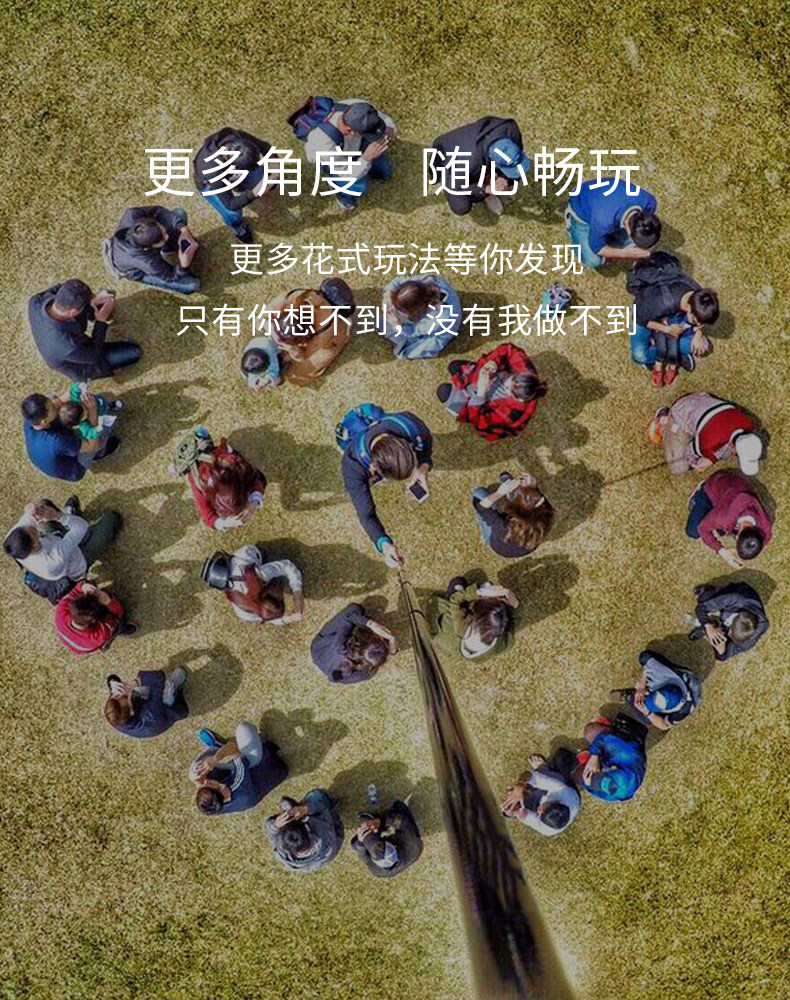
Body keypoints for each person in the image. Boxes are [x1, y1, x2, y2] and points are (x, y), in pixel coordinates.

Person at [336, 404, 433, 568]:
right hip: (353, 442)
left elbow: (425, 448)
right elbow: (366, 514)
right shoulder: (351, 467)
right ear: (373, 468)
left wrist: (422, 469)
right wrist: (384, 545)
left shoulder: (412, 426)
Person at [3, 497, 121, 601]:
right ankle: (68, 517)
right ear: (33, 546)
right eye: (33, 533)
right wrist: (58, 516)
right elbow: (82, 527)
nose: (32, 528)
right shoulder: (52, 560)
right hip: (80, 558)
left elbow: (31, 517)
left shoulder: (12, 539)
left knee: (44, 505)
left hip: (56, 539)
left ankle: (69, 517)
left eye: (27, 529)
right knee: (111, 518)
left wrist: (32, 510)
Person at [293, 97, 396, 211]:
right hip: (334, 162)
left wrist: (389, 129)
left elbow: (383, 119)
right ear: (349, 131)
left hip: (353, 147)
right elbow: (346, 174)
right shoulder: (323, 143)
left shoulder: (359, 107)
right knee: (358, 187)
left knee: (384, 171)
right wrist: (366, 158)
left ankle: (367, 165)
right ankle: (342, 194)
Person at [626, 251, 718, 376]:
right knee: (639, 356)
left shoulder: (698, 294)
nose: (699, 325)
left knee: (703, 346)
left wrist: (698, 334)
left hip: (670, 310)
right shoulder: (664, 302)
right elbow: (639, 318)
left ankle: (666, 350)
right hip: (643, 312)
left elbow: (699, 324)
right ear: (689, 308)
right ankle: (672, 354)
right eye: (697, 321)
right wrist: (666, 329)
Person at [28, 279, 141, 380]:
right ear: (73, 312)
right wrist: (101, 321)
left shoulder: (36, 301)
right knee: (134, 352)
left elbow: (63, 287)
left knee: (98, 301)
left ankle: (92, 314)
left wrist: (93, 301)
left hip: (68, 343)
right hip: (84, 364)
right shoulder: (68, 346)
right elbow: (94, 355)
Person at [252, 278, 356, 387]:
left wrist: (293, 351)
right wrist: (270, 328)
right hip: (311, 330)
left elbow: (305, 355)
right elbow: (261, 318)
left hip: (331, 339)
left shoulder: (324, 334)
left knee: (296, 377)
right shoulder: (291, 299)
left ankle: (345, 326)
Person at [437, 344, 547, 442]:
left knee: (443, 391)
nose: (507, 382)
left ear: (519, 400)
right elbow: (509, 350)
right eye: (512, 378)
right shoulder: (527, 372)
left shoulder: (512, 414)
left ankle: (460, 406)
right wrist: (494, 363)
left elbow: (480, 422)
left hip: (476, 403)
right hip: (480, 383)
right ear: (523, 374)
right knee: (453, 366)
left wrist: (481, 393)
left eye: (508, 389)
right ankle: (467, 383)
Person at [431, 117, 531, 216]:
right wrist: (486, 189)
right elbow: (456, 187)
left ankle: (489, 184)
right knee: (461, 207)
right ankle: (486, 195)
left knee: (517, 174)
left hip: (474, 153)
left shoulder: (510, 129)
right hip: (448, 161)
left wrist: (504, 178)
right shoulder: (467, 164)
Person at [648, 392, 764, 477]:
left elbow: (727, 441)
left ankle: (694, 433)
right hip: (681, 410)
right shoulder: (709, 443)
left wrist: (712, 457)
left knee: (725, 453)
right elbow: (690, 453)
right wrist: (700, 463)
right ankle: (664, 420)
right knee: (678, 467)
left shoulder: (748, 423)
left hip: (702, 401)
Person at [172, 430, 266, 530]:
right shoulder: (198, 484)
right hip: (201, 467)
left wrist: (254, 502)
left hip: (219, 458)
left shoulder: (233, 464)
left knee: (228, 452)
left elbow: (258, 478)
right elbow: (208, 517)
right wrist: (223, 523)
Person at [189, 722, 288, 816]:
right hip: (267, 766)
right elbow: (233, 748)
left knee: (195, 770)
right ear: (221, 789)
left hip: (240, 777)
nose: (205, 781)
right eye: (210, 783)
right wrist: (215, 759)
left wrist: (196, 779)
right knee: (244, 728)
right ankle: (219, 749)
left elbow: (202, 784)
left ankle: (216, 746)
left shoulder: (214, 807)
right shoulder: (240, 784)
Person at [194, 127, 274, 242]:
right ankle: (237, 226)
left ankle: (238, 185)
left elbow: (264, 146)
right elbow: (230, 204)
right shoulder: (212, 172)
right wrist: (254, 193)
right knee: (233, 214)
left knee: (264, 176)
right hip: (209, 184)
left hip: (227, 173)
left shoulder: (237, 138)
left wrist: (275, 162)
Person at [566, 177, 661, 269]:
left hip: (606, 199)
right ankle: (571, 221)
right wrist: (625, 253)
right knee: (592, 260)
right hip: (581, 209)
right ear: (628, 230)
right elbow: (597, 248)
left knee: (630, 243)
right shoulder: (603, 221)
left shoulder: (649, 203)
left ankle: (607, 236)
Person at [685, 470, 773, 568]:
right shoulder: (724, 518)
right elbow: (702, 528)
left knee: (721, 528)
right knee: (693, 532)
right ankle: (699, 493)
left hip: (732, 486)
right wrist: (722, 551)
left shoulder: (765, 526)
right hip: (712, 489)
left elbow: (766, 538)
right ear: (737, 536)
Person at [21, 393, 119, 480]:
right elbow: (92, 446)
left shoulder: (30, 420)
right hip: (74, 469)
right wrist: (93, 412)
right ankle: (101, 453)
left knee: (57, 403)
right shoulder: (59, 441)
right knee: (100, 433)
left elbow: (59, 400)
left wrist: (78, 390)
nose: (55, 405)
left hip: (43, 455)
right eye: (52, 408)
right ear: (44, 421)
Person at [201, 546, 304, 626]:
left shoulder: (258, 575)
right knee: (280, 578)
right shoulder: (243, 613)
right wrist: (287, 619)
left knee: (280, 577)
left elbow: (287, 566)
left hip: (248, 554)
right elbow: (266, 618)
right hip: (235, 567)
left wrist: (297, 594)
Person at [107, 205, 200, 294]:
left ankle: (168, 249)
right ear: (147, 248)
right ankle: (162, 257)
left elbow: (159, 212)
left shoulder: (132, 214)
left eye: (163, 231)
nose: (167, 236)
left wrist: (183, 229)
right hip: (136, 271)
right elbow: (170, 276)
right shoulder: (147, 262)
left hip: (131, 254)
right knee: (192, 285)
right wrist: (184, 266)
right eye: (162, 240)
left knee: (179, 214)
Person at [612, 650, 702, 732]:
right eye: (648, 695)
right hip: (677, 676)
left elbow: (664, 725)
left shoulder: (683, 711)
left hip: (684, 686)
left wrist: (648, 713)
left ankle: (629, 697)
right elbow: (646, 666)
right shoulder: (663, 674)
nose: (645, 697)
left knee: (646, 719)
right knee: (643, 657)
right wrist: (641, 686)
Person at [432, 576, 517, 662]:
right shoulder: (502, 644)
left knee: (458, 582)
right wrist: (513, 608)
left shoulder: (462, 627)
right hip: (460, 648)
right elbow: (509, 625)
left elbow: (455, 601)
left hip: (449, 638)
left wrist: (480, 592)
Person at [471, 472, 554, 558]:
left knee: (478, 493)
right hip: (527, 548)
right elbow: (541, 502)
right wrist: (533, 488)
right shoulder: (547, 514)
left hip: (498, 546)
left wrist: (499, 493)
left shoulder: (503, 526)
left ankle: (511, 494)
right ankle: (513, 494)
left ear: (515, 510)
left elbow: (480, 507)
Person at [310, 603, 397, 684]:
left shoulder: (340, 645)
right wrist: (393, 649)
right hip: (328, 660)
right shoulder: (364, 673)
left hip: (320, 649)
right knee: (356, 612)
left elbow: (348, 618)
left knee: (355, 609)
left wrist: (371, 624)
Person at [501, 750, 581, 837]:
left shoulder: (547, 830)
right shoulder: (563, 792)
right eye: (542, 808)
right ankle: (543, 767)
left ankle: (529, 791)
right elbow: (531, 775)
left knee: (514, 799)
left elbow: (524, 816)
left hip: (549, 796)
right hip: (565, 787)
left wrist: (515, 811)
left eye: (539, 814)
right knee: (560, 757)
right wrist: (520, 784)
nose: (538, 810)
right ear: (557, 801)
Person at [381, 273, 461, 359]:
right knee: (385, 322)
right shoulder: (423, 282)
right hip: (426, 318)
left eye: (403, 310)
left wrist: (397, 325)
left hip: (437, 332)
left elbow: (413, 331)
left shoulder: (440, 318)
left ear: (418, 309)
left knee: (408, 351)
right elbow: (396, 282)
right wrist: (388, 297)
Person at [266, 788, 344, 872]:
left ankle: (295, 808)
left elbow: (273, 837)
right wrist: (306, 809)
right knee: (317, 795)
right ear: (307, 829)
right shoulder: (322, 833)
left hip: (321, 858)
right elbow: (322, 808)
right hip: (333, 836)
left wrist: (275, 825)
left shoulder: (283, 853)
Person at [350, 787, 423, 878]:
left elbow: (364, 858)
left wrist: (360, 843)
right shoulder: (411, 842)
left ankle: (375, 823)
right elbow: (400, 819)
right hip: (408, 844)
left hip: (401, 844)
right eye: (381, 844)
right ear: (393, 845)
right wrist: (381, 821)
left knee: (354, 843)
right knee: (399, 807)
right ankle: (379, 823)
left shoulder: (377, 871)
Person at [688, 581, 769, 661]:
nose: (726, 633)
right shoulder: (737, 599)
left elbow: (725, 656)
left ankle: (708, 627)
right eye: (729, 630)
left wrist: (721, 650)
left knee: (721, 643)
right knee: (705, 599)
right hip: (732, 594)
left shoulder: (752, 636)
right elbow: (701, 608)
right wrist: (708, 626)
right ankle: (707, 590)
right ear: (735, 617)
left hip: (731, 616)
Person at [573, 715, 647, 802]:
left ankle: (592, 759)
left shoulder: (614, 794)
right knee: (590, 732)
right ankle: (607, 727)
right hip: (624, 743)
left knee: (579, 776)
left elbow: (594, 789)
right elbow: (603, 738)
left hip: (614, 762)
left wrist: (588, 783)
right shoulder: (628, 755)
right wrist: (594, 756)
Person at [54, 580, 137, 654]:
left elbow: (73, 592)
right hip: (88, 644)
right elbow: (118, 614)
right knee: (117, 623)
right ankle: (121, 629)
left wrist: (83, 586)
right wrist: (109, 602)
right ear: (93, 621)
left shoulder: (61, 611)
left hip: (74, 641)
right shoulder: (98, 635)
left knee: (88, 583)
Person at [104, 668, 189, 738]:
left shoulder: (116, 713)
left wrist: (113, 682)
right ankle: (174, 685)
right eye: (126, 697)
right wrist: (135, 683)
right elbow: (159, 677)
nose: (124, 693)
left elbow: (112, 678)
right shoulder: (151, 714)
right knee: (167, 686)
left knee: (142, 687)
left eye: (115, 695)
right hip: (161, 713)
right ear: (131, 711)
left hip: (145, 707)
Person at [55, 381, 122, 446]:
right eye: (84, 414)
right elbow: (89, 433)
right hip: (100, 413)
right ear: (79, 421)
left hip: (98, 401)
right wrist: (96, 430)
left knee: (105, 404)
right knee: (106, 413)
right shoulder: (83, 425)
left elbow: (73, 391)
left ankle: (109, 405)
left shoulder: (76, 400)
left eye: (83, 407)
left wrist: (79, 386)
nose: (86, 410)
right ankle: (110, 407)